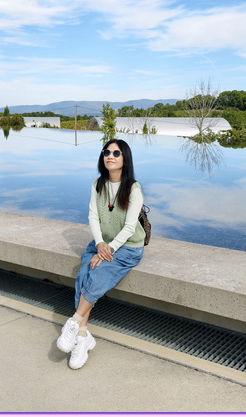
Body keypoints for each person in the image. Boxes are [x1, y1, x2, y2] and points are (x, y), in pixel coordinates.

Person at [56, 138, 147, 369]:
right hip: (101, 244)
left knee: (96, 272)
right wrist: (99, 245)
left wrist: (110, 248)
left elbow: (129, 228)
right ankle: (84, 337)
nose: (110, 156)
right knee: (85, 271)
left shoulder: (134, 189)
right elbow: (93, 217)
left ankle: (75, 322)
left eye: (116, 153)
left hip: (128, 247)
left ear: (125, 159)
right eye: (106, 152)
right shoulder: (98, 184)